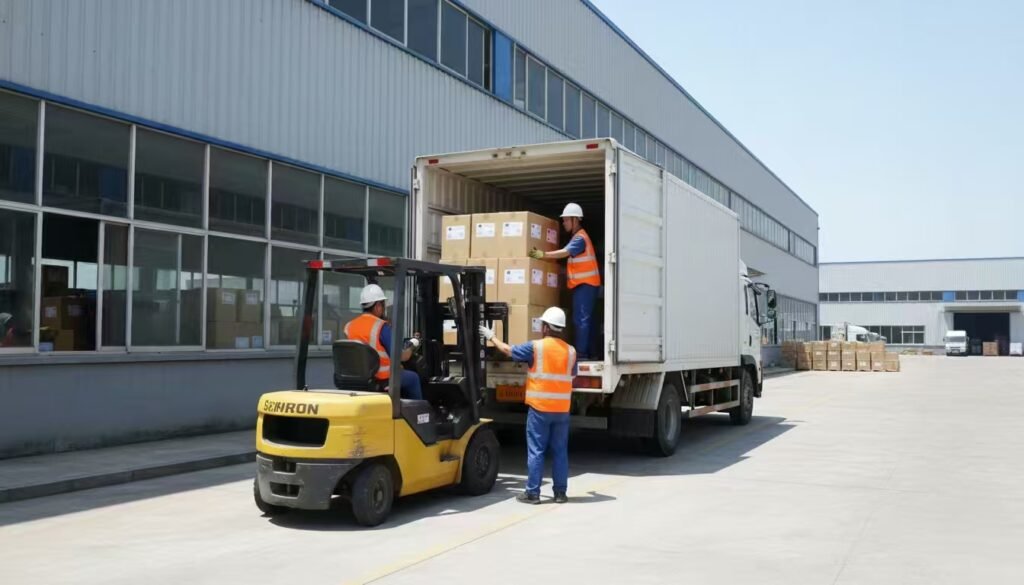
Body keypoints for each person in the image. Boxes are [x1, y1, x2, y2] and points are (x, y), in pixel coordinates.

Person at [480, 307, 577, 504]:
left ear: (547, 328)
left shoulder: (537, 347)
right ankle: (560, 493)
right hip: (561, 410)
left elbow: (508, 350)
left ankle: (533, 493)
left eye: (542, 324)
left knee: (536, 450)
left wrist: (491, 337)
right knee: (560, 451)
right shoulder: (571, 350)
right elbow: (572, 375)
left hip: (540, 408)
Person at [530, 203, 601, 359]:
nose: (564, 223)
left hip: (586, 284)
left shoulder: (580, 238)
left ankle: (582, 354)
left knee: (581, 320)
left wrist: (543, 254)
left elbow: (565, 252)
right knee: (588, 321)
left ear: (575, 220)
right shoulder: (578, 237)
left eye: (566, 220)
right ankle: (592, 353)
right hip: (585, 285)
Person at [345, 284, 423, 401]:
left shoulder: (349, 326)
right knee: (413, 378)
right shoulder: (381, 326)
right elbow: (402, 356)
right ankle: (419, 415)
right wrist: (412, 346)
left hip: (357, 378)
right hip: (382, 377)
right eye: (383, 305)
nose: (383, 308)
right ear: (377, 306)